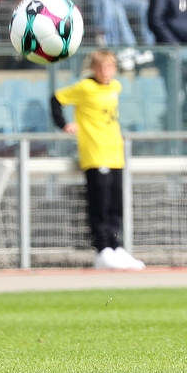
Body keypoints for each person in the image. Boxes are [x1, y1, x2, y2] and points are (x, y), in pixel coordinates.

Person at [50, 49, 144, 270]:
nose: (105, 71)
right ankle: (102, 248)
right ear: (93, 68)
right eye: (101, 67)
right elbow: (56, 99)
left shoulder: (115, 87)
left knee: (115, 203)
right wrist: (64, 124)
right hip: (95, 152)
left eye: (109, 67)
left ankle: (115, 245)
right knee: (99, 203)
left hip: (115, 153)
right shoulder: (84, 88)